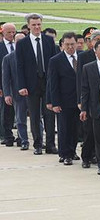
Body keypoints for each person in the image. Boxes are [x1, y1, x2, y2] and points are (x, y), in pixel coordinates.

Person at [15, 13, 57, 155]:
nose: (37, 27)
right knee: (34, 115)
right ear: (28, 26)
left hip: (48, 83)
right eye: (33, 25)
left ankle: (50, 144)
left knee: (49, 114)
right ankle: (38, 144)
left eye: (39, 24)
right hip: (31, 84)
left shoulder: (49, 41)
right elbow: (19, 66)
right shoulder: (22, 43)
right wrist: (21, 85)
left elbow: (53, 63)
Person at [47, 32, 80, 165]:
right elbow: (52, 83)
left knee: (76, 128)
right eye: (67, 45)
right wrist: (54, 102)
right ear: (62, 45)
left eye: (72, 44)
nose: (70, 47)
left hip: (79, 100)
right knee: (64, 128)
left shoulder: (82, 58)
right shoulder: (55, 60)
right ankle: (65, 153)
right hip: (64, 100)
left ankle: (72, 150)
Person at [80, 39, 100, 174]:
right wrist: (84, 109)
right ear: (95, 51)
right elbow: (85, 90)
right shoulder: (88, 68)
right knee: (97, 137)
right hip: (96, 108)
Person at [2, 32, 28, 149]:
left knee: (37, 119)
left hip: (33, 93)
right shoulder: (8, 58)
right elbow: (6, 78)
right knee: (20, 119)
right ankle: (23, 140)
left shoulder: (32, 56)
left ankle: (38, 140)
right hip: (17, 93)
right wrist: (7, 94)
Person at [0, 22, 17, 146]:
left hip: (18, 84)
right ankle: (7, 135)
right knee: (6, 111)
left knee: (18, 112)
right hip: (4, 85)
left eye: (13, 32)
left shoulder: (19, 45)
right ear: (3, 33)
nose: (11, 35)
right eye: (8, 32)